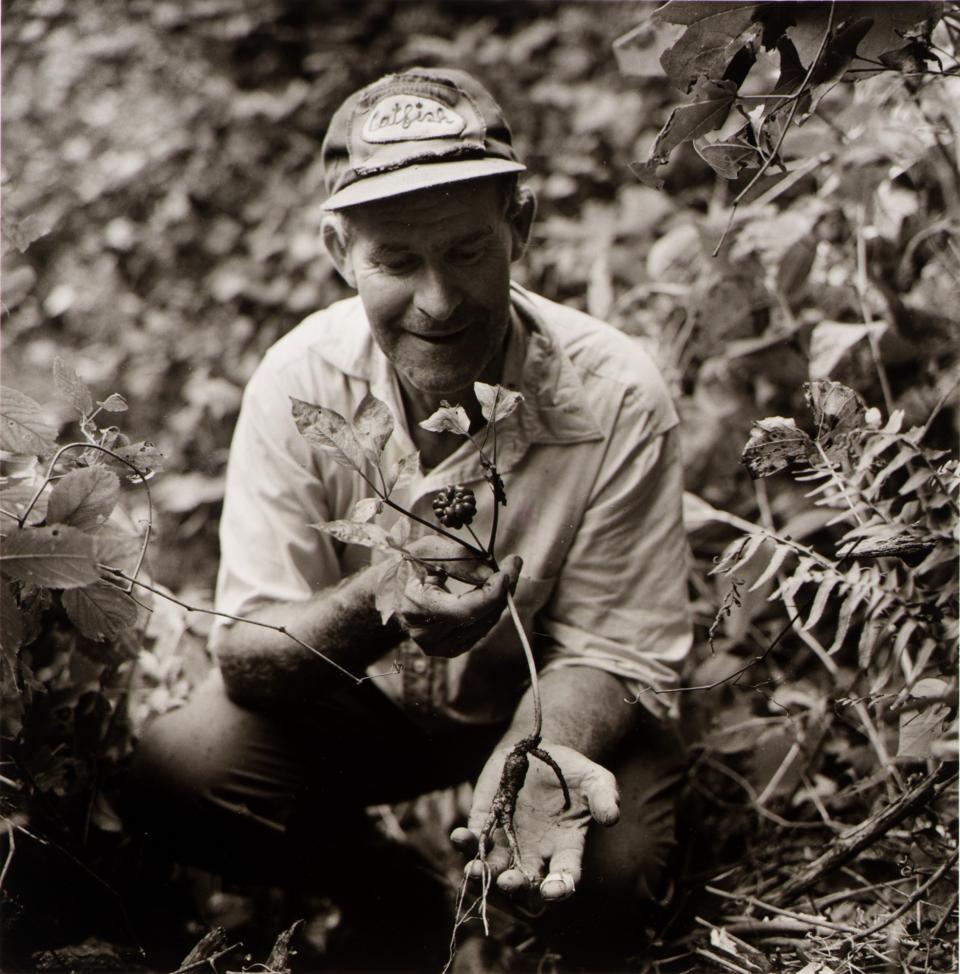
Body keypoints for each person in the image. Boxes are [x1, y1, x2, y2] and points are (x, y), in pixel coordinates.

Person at [127, 67, 691, 971]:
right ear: (339, 252)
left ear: (522, 227)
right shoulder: (301, 383)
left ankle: (545, 916)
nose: (438, 300)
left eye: (469, 252)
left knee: (608, 872)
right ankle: (397, 900)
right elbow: (249, 660)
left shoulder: (616, 391)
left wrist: (528, 765)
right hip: (364, 720)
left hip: (551, 706)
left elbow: (614, 651)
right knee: (182, 770)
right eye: (396, 262)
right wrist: (382, 597)